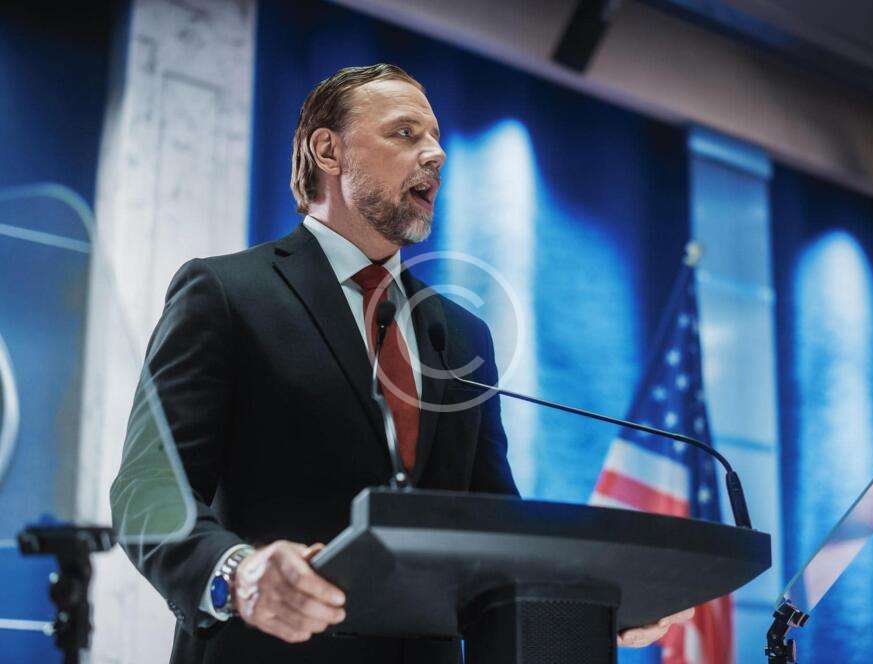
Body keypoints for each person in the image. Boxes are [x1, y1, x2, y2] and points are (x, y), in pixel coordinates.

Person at [112, 64, 692, 664]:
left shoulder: (463, 334)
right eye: (405, 133)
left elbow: (496, 536)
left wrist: (600, 603)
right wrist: (237, 574)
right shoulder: (225, 292)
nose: (436, 155)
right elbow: (149, 491)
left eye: (436, 139)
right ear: (328, 150)